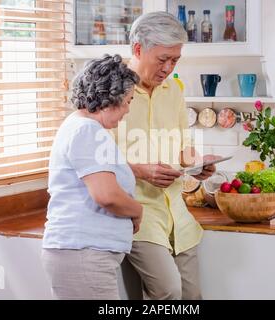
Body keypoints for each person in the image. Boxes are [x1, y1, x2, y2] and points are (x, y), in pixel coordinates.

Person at [113, 12, 217, 300]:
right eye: (162, 59)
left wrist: (197, 164)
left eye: (175, 60)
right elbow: (96, 159)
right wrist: (141, 171)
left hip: (177, 215)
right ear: (137, 49)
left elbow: (183, 146)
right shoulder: (112, 91)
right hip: (137, 214)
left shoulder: (174, 90)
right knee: (168, 292)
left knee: (191, 297)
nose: (169, 68)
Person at [41, 54, 142, 300]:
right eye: (127, 101)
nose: (128, 110)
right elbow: (107, 196)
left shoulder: (81, 126)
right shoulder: (87, 130)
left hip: (82, 252)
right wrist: (138, 210)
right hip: (82, 253)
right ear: (110, 99)